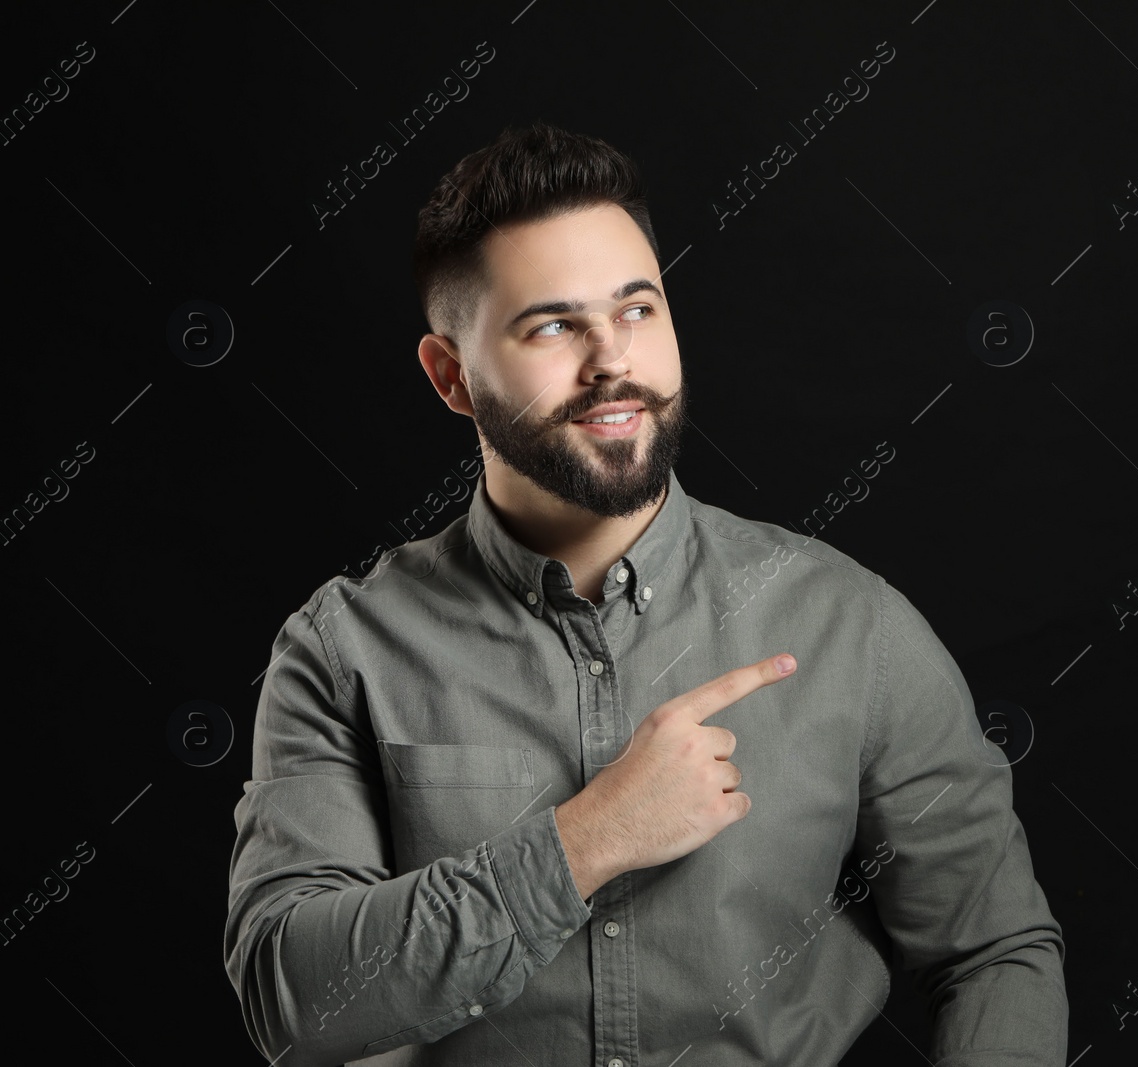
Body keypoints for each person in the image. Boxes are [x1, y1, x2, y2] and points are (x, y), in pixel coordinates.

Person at [224, 120, 1068, 1066]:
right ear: (451, 376)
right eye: (552, 325)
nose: (611, 361)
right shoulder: (345, 649)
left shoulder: (848, 624)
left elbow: (994, 951)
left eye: (638, 309)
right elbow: (290, 998)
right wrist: (587, 839)